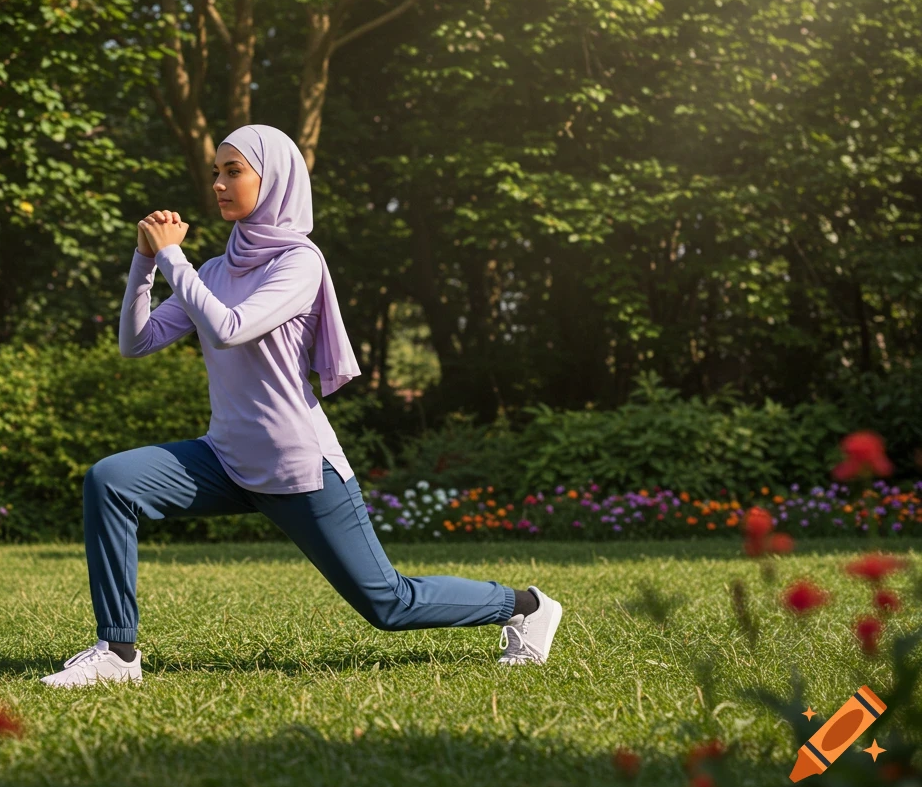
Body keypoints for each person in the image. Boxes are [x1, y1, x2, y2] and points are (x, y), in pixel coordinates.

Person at [40, 124, 562, 688]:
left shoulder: (298, 263)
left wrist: (172, 259)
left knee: (389, 603)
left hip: (298, 468)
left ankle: (527, 607)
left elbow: (228, 328)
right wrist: (145, 263)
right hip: (225, 460)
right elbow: (135, 342)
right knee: (111, 480)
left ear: (275, 179)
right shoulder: (213, 270)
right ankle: (118, 655)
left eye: (233, 170)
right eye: (216, 171)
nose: (218, 183)